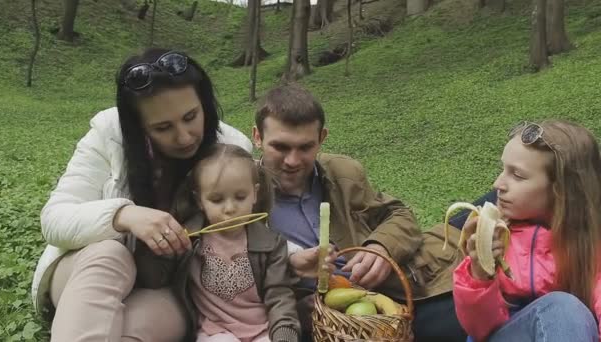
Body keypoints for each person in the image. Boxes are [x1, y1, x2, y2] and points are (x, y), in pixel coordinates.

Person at [31, 48, 252, 341]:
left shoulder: (233, 150)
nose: (184, 137)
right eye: (163, 127)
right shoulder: (107, 133)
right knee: (110, 254)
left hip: (165, 289)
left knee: (130, 331)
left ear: (205, 105)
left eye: (190, 116)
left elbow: (250, 235)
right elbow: (54, 219)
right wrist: (124, 216)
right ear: (138, 126)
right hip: (86, 274)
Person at [251, 84, 466, 342]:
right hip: (324, 323)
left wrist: (381, 247)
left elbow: (400, 215)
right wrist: (295, 306)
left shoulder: (343, 172)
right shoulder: (241, 193)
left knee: (475, 320)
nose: (293, 161)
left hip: (389, 297)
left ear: (322, 138)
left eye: (305, 147)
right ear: (257, 138)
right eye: (281, 147)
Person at [136, 143, 313, 342]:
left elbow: (280, 296)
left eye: (240, 197)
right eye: (217, 200)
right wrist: (164, 247)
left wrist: (284, 334)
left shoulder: (272, 244)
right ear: (200, 200)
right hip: (215, 332)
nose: (229, 209)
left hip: (264, 329)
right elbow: (154, 278)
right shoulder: (189, 238)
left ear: (255, 193)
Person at [453, 120, 601, 342]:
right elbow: (480, 329)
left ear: (561, 190)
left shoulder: (591, 247)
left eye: (517, 175)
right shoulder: (498, 237)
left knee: (564, 309)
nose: (498, 184)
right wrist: (480, 273)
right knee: (562, 308)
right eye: (503, 170)